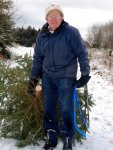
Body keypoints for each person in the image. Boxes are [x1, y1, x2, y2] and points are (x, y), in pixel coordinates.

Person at [28, 4, 91, 150]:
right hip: (48, 76)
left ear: (62, 17)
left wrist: (85, 73)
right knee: (49, 108)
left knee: (66, 108)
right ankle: (51, 137)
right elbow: (37, 58)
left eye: (57, 15)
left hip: (66, 76)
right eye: (51, 15)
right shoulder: (42, 35)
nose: (54, 18)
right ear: (46, 19)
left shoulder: (71, 32)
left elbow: (82, 53)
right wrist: (33, 78)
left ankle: (68, 138)